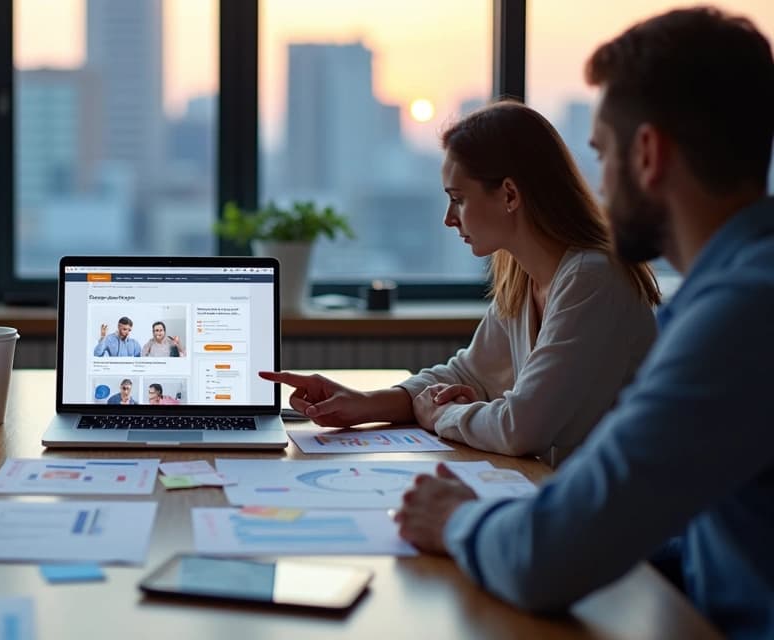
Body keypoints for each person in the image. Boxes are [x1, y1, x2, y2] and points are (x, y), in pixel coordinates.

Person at [394, 8, 774, 638]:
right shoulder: (736, 293)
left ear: (647, 154)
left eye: (602, 153)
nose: (596, 182)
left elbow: (551, 554)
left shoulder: (740, 317)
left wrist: (457, 520)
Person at [262, 101, 660, 466]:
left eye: (459, 199)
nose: (449, 219)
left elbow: (518, 428)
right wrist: (363, 403)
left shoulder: (592, 278)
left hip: (618, 526)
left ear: (509, 195)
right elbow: (469, 374)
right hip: (562, 496)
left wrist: (441, 414)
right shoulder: (524, 278)